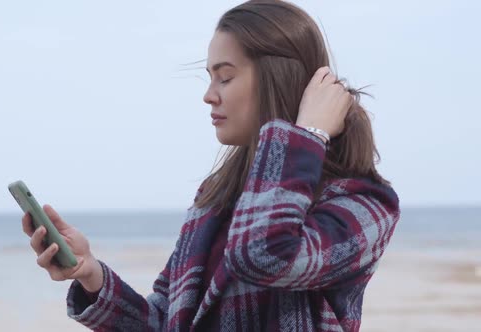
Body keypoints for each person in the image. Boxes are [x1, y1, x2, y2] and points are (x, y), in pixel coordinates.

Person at [21, 0, 400, 330]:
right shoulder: (215, 196)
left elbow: (265, 256)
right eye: (209, 77)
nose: (208, 95)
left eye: (226, 76)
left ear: (276, 78)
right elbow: (166, 320)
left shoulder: (364, 204)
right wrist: (91, 274)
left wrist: (309, 133)